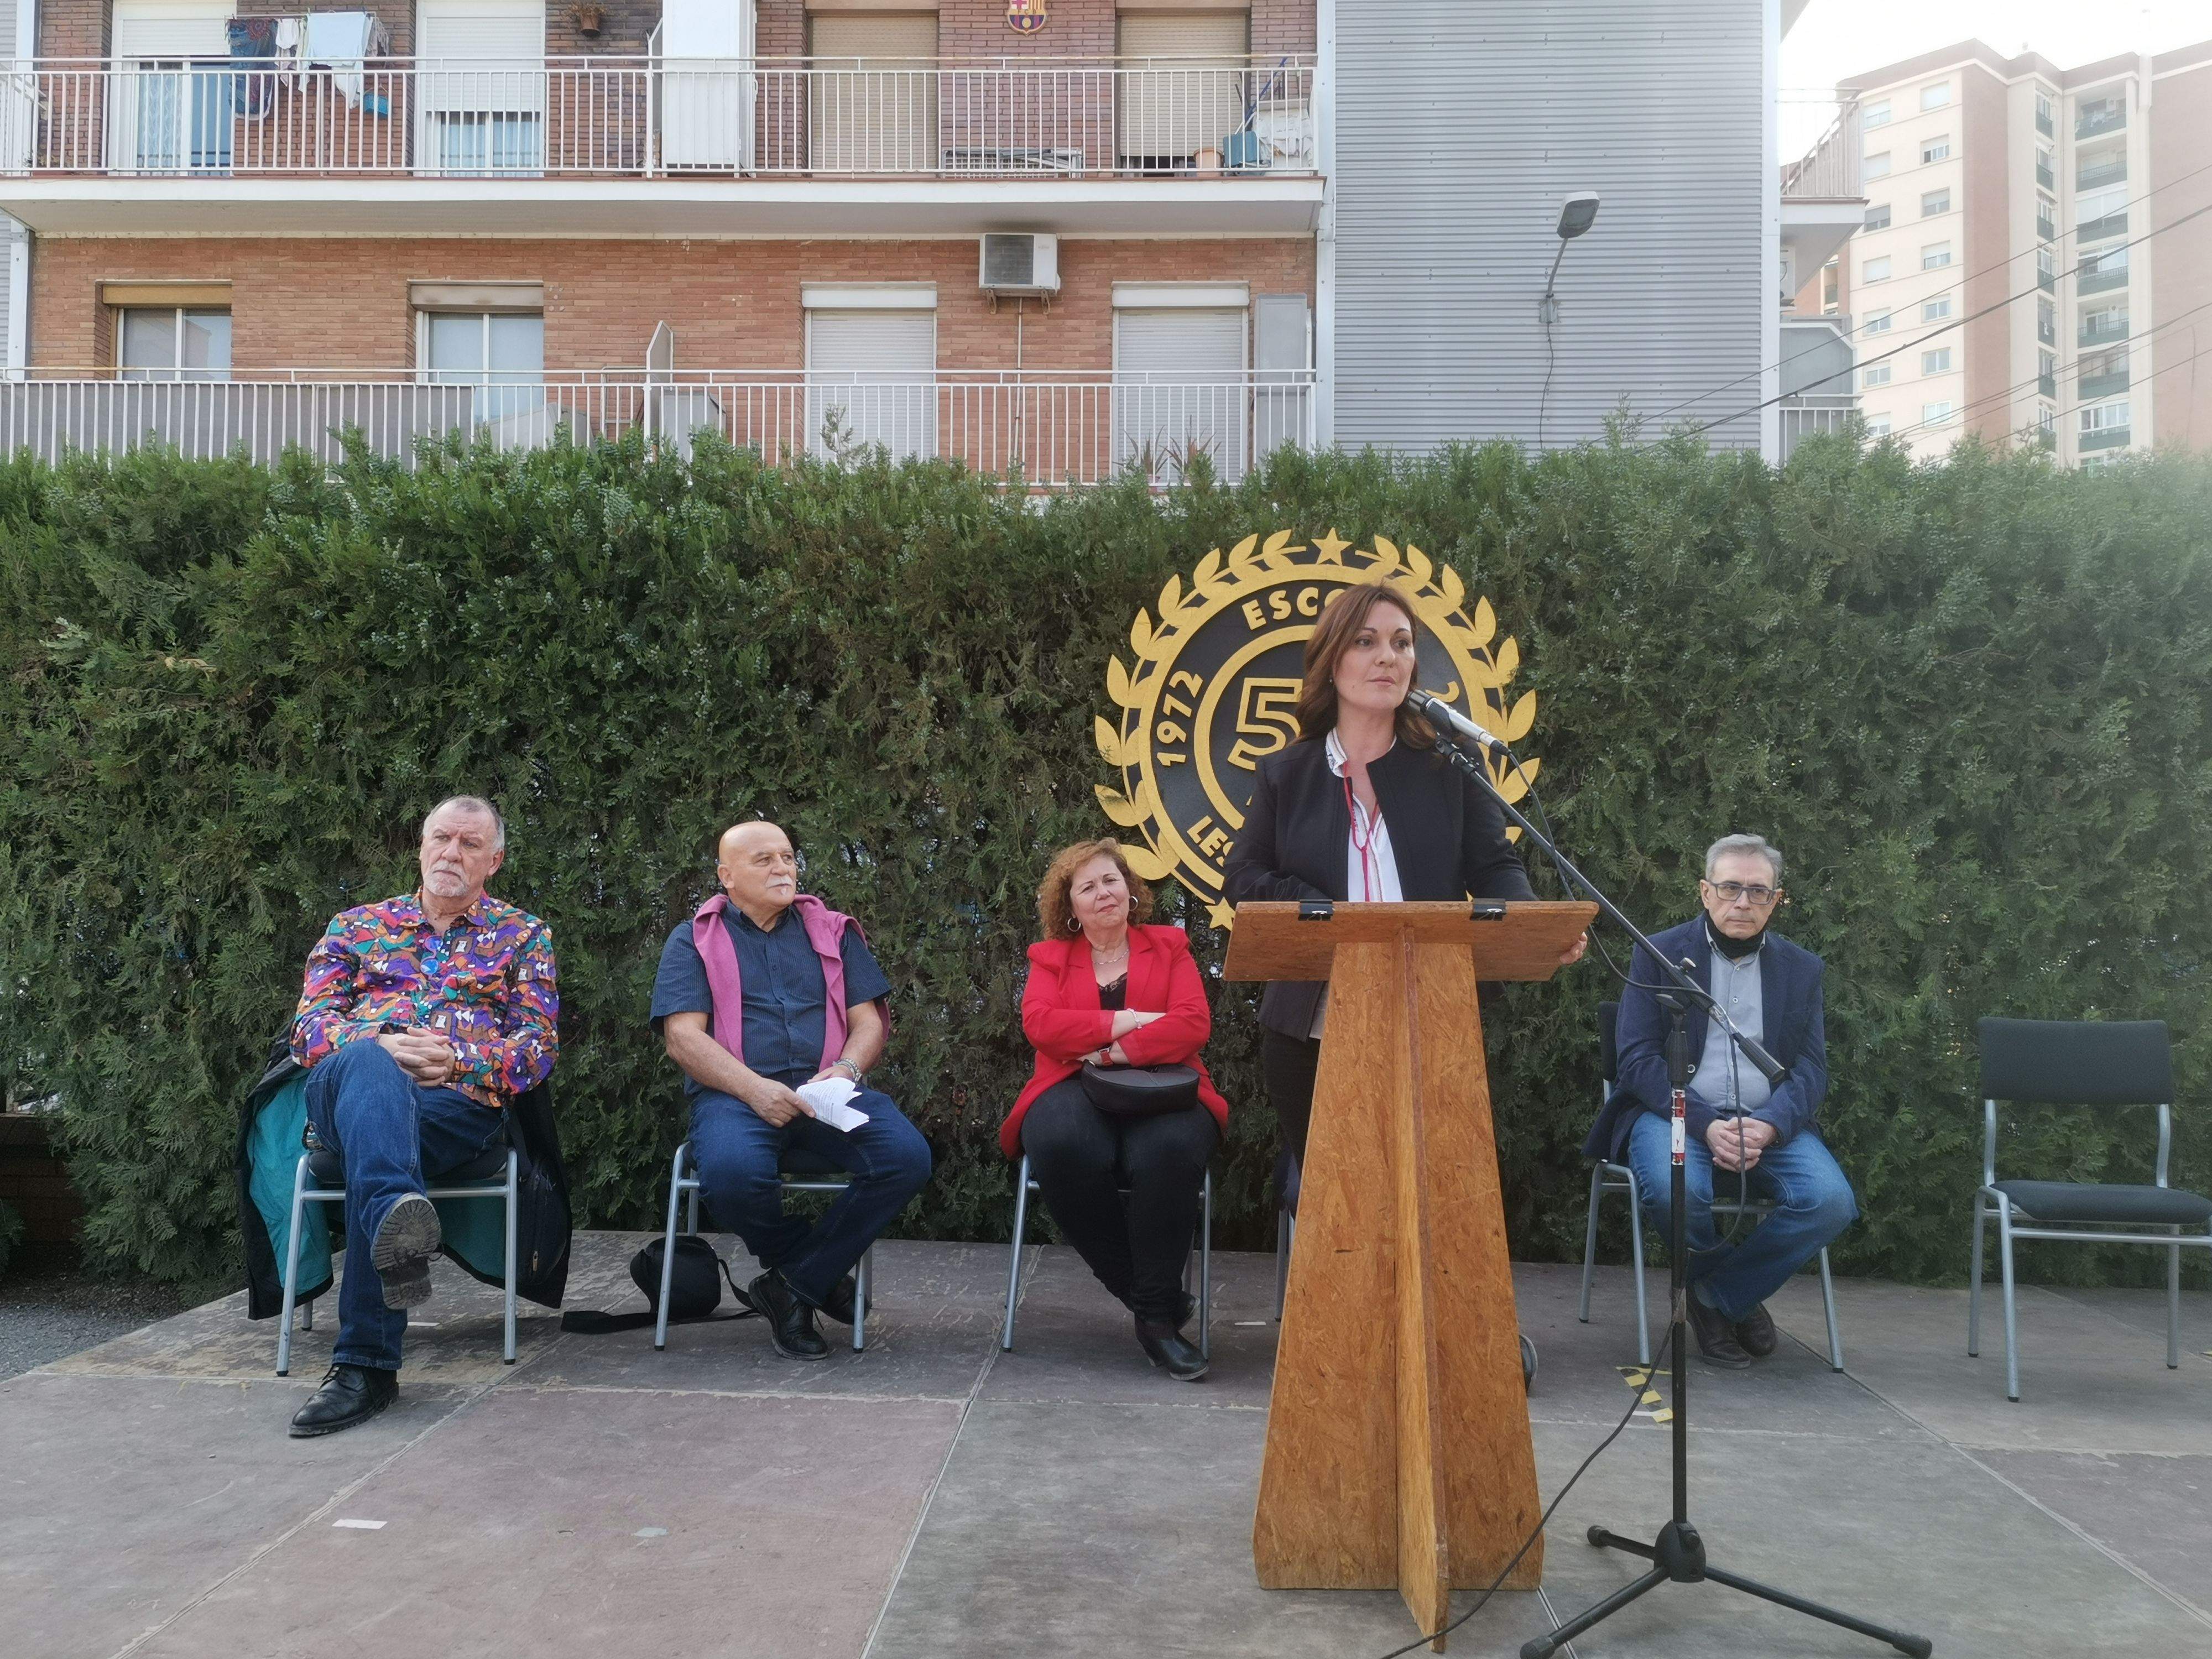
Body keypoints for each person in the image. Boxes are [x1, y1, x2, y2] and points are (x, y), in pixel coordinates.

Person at [1222, 580, 1585, 1171]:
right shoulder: (1286, 773)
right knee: (1333, 1200)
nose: (1388, 656)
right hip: (1308, 1028)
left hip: (1433, 1017)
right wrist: (1318, 908)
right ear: (1331, 660)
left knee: (1433, 1196)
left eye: (1402, 643)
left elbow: (1494, 864)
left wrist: (1530, 926)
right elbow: (1243, 876)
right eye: (1366, 641)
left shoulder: (1451, 764)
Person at [285, 795, 559, 1437]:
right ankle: (375, 1315)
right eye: (441, 838)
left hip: (453, 1108)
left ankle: (366, 1369)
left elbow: (538, 1049)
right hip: (346, 1090)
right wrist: (382, 1042)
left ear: (494, 860)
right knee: (374, 1074)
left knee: (380, 1144)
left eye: (469, 845)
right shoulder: (355, 926)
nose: (451, 853)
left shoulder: (523, 935)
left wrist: (455, 1059)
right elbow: (308, 1030)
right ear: (421, 845)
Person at [651, 820, 932, 1362]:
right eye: (764, 860)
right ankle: (810, 1274)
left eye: (787, 857)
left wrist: (847, 1069)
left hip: (827, 1091)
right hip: (735, 1095)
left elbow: (867, 1022)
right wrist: (756, 1091)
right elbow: (682, 1039)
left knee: (906, 1157)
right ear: (725, 876)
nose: (783, 868)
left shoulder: (832, 930)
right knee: (732, 1176)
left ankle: (791, 1284)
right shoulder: (694, 939)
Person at [1587, 833, 1857, 1369]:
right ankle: (1732, 1298)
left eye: (1758, 892)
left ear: (1776, 900)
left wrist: (1772, 1126)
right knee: (1675, 1191)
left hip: (1768, 1123)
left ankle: (1716, 1298)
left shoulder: (1802, 971)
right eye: (1731, 887)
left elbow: (1810, 1070)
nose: (1743, 903)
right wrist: (1706, 1123)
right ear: (1705, 892)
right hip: (1673, 1114)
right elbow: (1636, 1060)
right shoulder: (1657, 953)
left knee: (1831, 1201)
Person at [1002, 839, 1228, 1381]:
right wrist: (1130, 1019)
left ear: (1131, 891)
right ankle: (1156, 1304)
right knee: (1061, 1145)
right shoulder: (1050, 957)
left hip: (1164, 1085)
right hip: (1069, 1085)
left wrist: (1105, 1051)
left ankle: (1152, 1320)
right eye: (1088, 887)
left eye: (1111, 881)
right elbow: (1042, 1027)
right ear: (1070, 907)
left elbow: (1192, 1024)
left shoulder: (1169, 946)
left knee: (1170, 1150)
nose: (1103, 893)